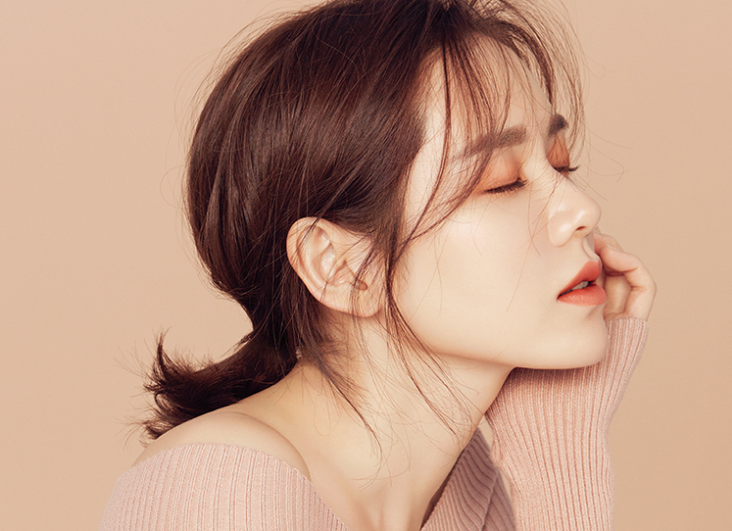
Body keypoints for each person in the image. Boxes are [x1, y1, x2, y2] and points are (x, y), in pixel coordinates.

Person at [99, 0, 655, 529]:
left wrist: (560, 452)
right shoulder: (220, 491)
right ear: (342, 268)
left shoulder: (465, 490)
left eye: (560, 164)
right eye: (503, 182)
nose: (582, 209)